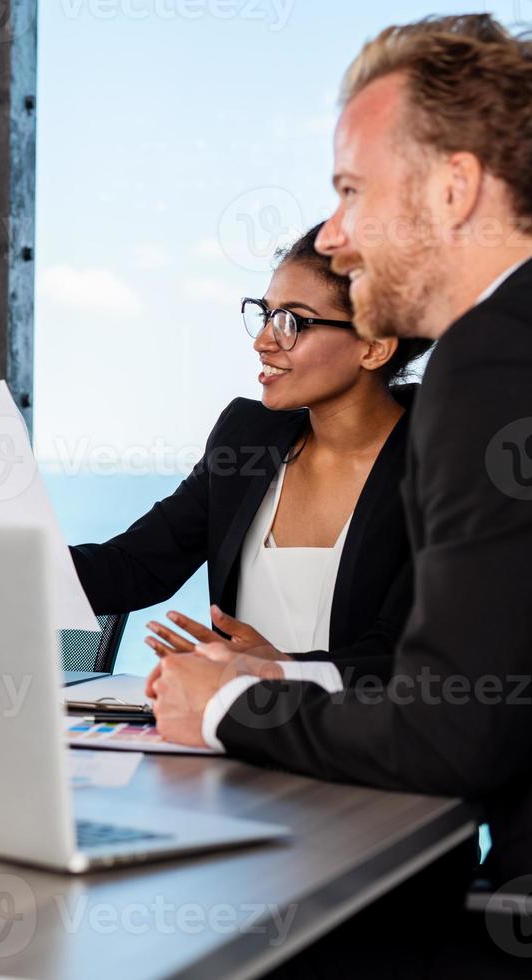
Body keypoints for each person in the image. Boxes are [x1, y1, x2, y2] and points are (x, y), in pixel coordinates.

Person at [149, 15, 532, 972]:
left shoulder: (492, 363)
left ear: (453, 188)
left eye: (352, 192)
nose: (334, 234)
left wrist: (227, 705)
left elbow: (451, 732)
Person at [66, 224, 431, 678]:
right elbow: (134, 566)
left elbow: (411, 656)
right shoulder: (247, 438)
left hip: (364, 739)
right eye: (265, 314)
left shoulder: (438, 468)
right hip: (235, 733)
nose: (263, 342)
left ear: (375, 347)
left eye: (292, 322)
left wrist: (280, 669)